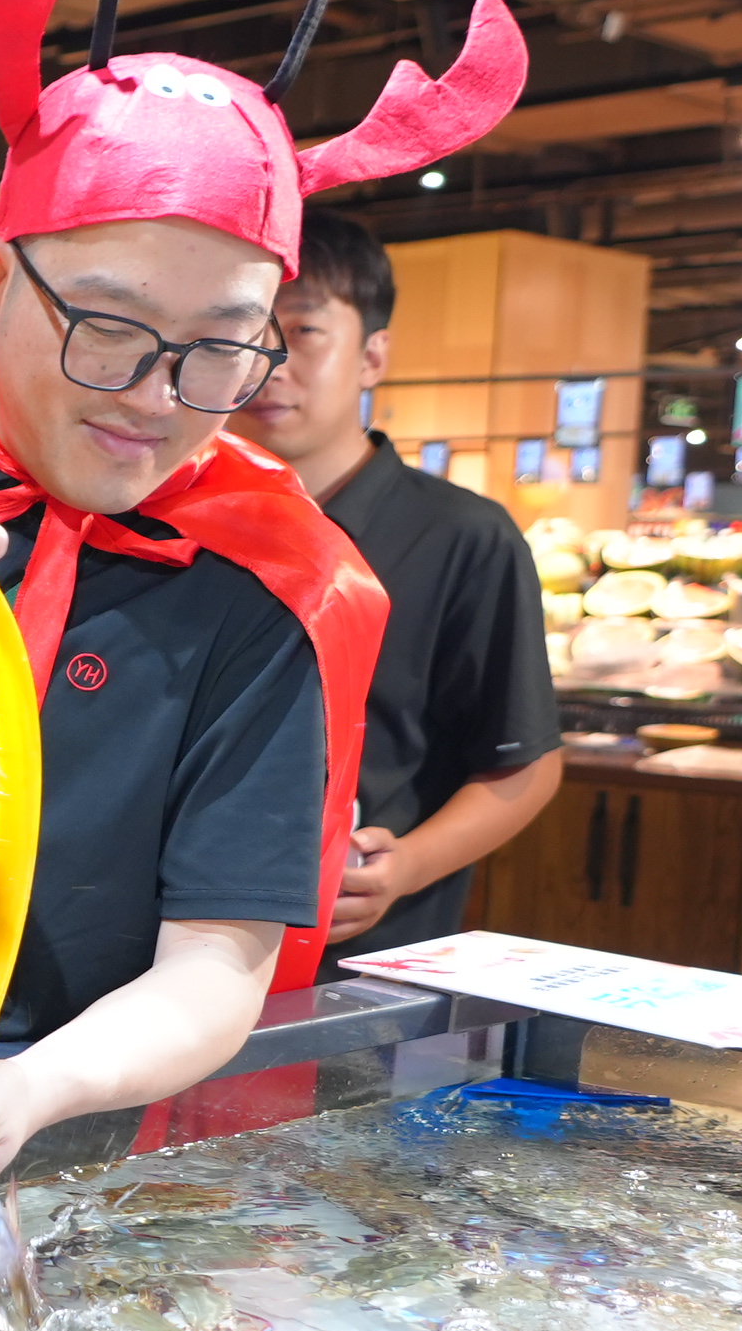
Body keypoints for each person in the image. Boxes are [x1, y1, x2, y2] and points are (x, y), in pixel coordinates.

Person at [0, 0, 525, 1173]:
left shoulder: (263, 596)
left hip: (60, 1134)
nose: (153, 393)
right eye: (108, 326)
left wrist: (20, 1096)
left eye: (220, 348)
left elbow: (217, 965)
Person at [227, 210, 562, 954]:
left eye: (303, 330)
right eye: (241, 330)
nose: (266, 362)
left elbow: (524, 762)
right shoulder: (173, 522)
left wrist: (407, 865)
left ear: (372, 355)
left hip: (361, 958)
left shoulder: (461, 536)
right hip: (174, 952)